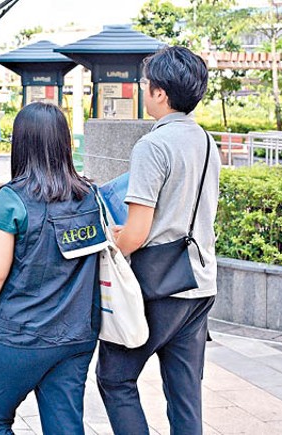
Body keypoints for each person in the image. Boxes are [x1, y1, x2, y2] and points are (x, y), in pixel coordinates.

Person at [0, 102, 101, 435]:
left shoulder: (12, 200)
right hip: (75, 336)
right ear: (64, 143)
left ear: (21, 144)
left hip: (18, 337)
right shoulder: (90, 196)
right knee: (64, 427)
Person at [96, 46, 221, 434]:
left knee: (114, 378)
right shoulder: (205, 141)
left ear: (161, 94)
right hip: (200, 284)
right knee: (185, 394)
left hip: (160, 285)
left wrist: (113, 237)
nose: (143, 88)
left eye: (146, 83)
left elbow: (135, 234)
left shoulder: (153, 145)